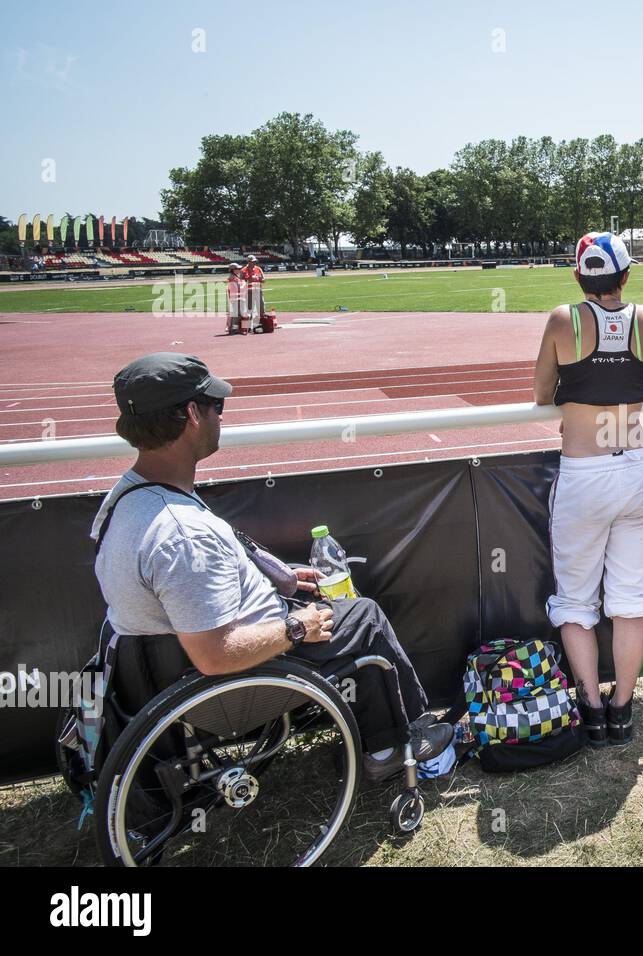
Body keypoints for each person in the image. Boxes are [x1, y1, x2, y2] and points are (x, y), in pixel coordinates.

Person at [91, 353, 453, 781]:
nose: (220, 418)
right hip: (228, 691)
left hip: (161, 677)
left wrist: (277, 579)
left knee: (341, 613)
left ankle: (382, 742)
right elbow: (215, 655)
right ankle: (398, 747)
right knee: (363, 617)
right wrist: (296, 628)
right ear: (191, 414)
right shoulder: (182, 533)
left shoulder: (126, 499)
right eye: (216, 407)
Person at [533, 232, 643, 746]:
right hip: (636, 466)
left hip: (584, 472)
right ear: (627, 276)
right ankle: (623, 710)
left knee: (575, 601)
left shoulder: (560, 319)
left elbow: (542, 393)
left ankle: (591, 710)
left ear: (578, 277)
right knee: (631, 600)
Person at [241, 255, 265, 324]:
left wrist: (260, 279)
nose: (254, 263)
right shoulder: (243, 270)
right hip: (248, 292)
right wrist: (249, 279)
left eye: (255, 261)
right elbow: (241, 282)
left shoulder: (258, 268)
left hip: (258, 291)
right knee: (249, 308)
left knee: (261, 306)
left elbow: (264, 280)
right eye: (252, 262)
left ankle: (262, 321)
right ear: (248, 262)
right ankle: (249, 324)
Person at [225, 264, 244, 334]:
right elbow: (234, 289)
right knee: (235, 315)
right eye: (237, 269)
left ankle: (236, 328)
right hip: (235, 299)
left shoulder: (236, 277)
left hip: (238, 298)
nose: (239, 270)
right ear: (233, 270)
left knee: (238, 315)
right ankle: (232, 329)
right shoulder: (232, 278)